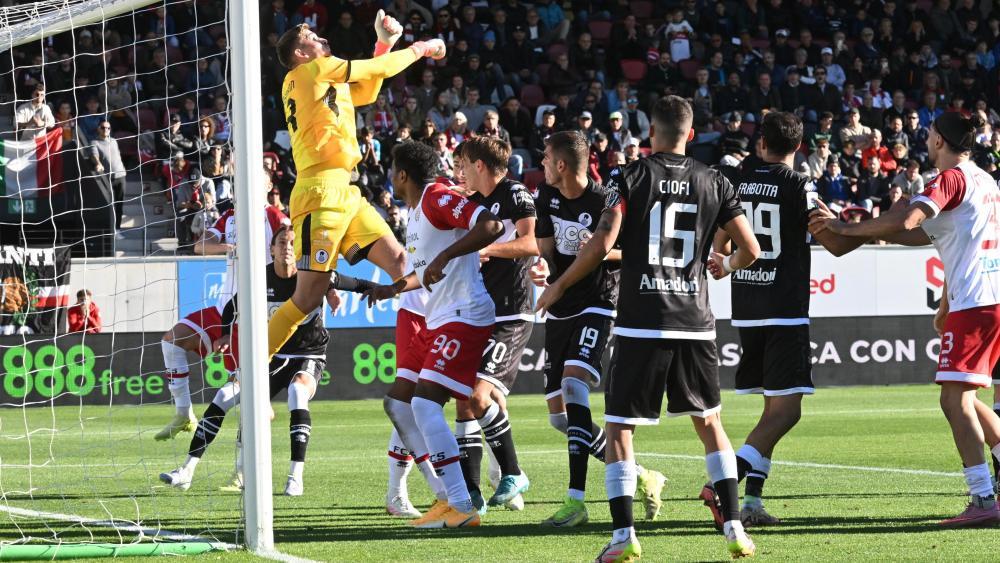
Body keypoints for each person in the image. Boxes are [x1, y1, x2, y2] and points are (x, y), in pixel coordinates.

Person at [536, 95, 761, 561]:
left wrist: (558, 285)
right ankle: (735, 528)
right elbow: (752, 250)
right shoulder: (715, 180)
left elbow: (601, 243)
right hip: (695, 321)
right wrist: (726, 263)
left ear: (651, 134)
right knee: (710, 424)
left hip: (643, 321)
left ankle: (623, 538)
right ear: (691, 135)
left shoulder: (630, 175)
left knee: (620, 430)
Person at [809, 111, 1000, 527]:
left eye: (930, 134)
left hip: (977, 302)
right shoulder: (984, 179)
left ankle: (984, 499)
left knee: (954, 400)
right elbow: (925, 234)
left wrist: (845, 226)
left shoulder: (948, 178)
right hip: (986, 297)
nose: (927, 140)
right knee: (965, 396)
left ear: (939, 141)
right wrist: (856, 234)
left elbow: (909, 219)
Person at [267, 17, 446, 360]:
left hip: (345, 191)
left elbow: (367, 89)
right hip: (319, 191)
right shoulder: (313, 71)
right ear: (302, 52)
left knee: (400, 261)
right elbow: (381, 69)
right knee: (306, 299)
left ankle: (431, 357)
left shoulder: (318, 80)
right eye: (313, 37)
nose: (322, 38)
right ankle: (245, 377)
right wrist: (422, 47)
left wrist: (382, 42)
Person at [159, 227, 372, 495]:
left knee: (297, 392)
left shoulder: (314, 276)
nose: (287, 247)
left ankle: (295, 476)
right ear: (271, 250)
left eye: (292, 243)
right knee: (224, 395)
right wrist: (225, 334)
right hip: (268, 355)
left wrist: (387, 290)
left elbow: (357, 283)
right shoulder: (261, 279)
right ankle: (186, 471)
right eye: (281, 242)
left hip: (307, 355)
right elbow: (230, 307)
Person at [710, 111, 845, 528]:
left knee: (772, 411)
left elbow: (720, 241)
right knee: (787, 413)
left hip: (747, 310)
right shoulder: (799, 184)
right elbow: (833, 244)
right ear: (799, 146)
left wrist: (727, 262)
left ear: (760, 143)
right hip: (784, 311)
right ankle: (723, 484)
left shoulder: (737, 180)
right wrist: (848, 230)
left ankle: (750, 503)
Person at [530, 131, 666, 528]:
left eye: (545, 158)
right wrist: (547, 269)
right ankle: (640, 474)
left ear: (561, 165)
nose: (540, 164)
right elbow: (544, 246)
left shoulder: (607, 199)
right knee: (561, 420)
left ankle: (576, 501)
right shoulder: (545, 195)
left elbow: (634, 249)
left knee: (575, 387)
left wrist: (602, 248)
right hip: (560, 306)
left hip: (598, 303)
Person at [366, 140, 505, 529]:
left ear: (402, 175)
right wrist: (394, 288)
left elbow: (490, 224)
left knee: (424, 405)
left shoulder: (436, 197)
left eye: (393, 172)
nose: (391, 178)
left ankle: (460, 503)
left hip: (464, 312)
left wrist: (447, 256)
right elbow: (426, 270)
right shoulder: (415, 213)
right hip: (439, 317)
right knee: (404, 404)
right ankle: (450, 499)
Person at [154, 202, 290, 441]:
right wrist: (229, 246)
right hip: (223, 309)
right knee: (171, 341)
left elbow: (292, 245)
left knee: (246, 395)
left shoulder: (273, 215)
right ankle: (184, 413)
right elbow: (199, 246)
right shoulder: (229, 216)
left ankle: (243, 470)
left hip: (252, 314)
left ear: (267, 184)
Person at [454, 136, 537, 512]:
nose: (462, 172)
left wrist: (486, 249)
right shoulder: (473, 204)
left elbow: (531, 242)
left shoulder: (515, 192)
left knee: (477, 394)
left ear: (480, 165)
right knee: (465, 399)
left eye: (465, 164)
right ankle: (472, 492)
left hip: (512, 312)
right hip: (480, 311)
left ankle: (513, 472)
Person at [89, 120, 127, 232]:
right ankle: (111, 229)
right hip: (107, 178)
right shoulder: (94, 142)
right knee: (109, 205)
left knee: (119, 204)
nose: (106, 130)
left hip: (121, 176)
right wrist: (98, 163)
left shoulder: (114, 141)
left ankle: (117, 229)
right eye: (103, 127)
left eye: (108, 128)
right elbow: (93, 155)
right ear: (98, 129)